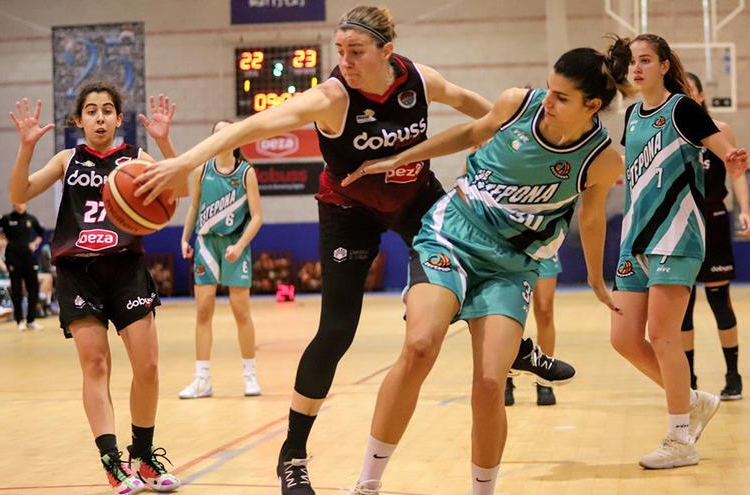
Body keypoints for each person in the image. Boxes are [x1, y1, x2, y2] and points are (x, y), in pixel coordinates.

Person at [134, 7, 572, 493]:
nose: (344, 60)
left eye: (356, 51)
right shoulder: (331, 97)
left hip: (414, 200)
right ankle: (292, 455)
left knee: (481, 263)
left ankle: (518, 347)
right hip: (349, 211)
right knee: (336, 331)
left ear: (387, 51)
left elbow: (477, 107)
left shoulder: (418, 80)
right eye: (339, 50)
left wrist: (517, 133)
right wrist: (186, 164)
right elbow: (251, 127)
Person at [341, 37, 631, 494]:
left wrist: (597, 279)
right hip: (451, 235)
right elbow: (470, 133)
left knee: (491, 382)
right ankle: (367, 483)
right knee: (419, 346)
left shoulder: (601, 159)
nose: (547, 101)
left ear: (592, 105)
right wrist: (400, 158)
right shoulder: (517, 104)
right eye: (548, 89)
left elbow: (592, 219)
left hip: (510, 265)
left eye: (561, 97)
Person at [7, 85, 181, 494]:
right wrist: (26, 148)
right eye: (91, 111)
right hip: (78, 270)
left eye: (107, 110)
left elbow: (182, 190)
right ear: (79, 120)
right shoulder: (67, 160)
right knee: (96, 366)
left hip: (125, 266)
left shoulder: (137, 159)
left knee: (149, 368)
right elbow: (19, 194)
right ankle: (112, 463)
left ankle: (143, 456)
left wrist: (163, 141)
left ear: (119, 119)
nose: (100, 117)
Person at [610, 34, 749, 470]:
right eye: (632, 61)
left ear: (664, 65)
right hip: (634, 238)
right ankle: (692, 400)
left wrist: (734, 159)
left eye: (645, 60)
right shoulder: (632, 115)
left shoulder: (683, 109)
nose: (636, 68)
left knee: (663, 336)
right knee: (623, 339)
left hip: (677, 235)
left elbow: (724, 150)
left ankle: (680, 439)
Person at [178, 120, 263, 399]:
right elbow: (193, 208)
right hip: (206, 244)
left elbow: (258, 217)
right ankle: (202, 380)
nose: (223, 137)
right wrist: (185, 238)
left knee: (241, 312)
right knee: (203, 310)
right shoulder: (202, 171)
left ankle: (250, 375)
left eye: (228, 133)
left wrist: (239, 246)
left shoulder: (246, 173)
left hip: (235, 245)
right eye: (217, 134)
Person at [682, 72, 750, 400]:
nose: (686, 95)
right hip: (681, 224)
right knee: (681, 307)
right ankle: (688, 380)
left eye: (690, 90)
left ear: (700, 97)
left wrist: (745, 209)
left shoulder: (720, 130)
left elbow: (736, 172)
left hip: (713, 220)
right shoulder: (671, 133)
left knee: (718, 301)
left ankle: (733, 375)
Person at [505, 254, 561, 407]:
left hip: (543, 245)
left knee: (545, 310)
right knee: (508, 311)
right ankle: (505, 376)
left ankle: (544, 381)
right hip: (510, 247)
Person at [0, 203, 45, 330]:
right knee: (17, 290)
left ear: (26, 204)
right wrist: (0, 234)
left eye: (22, 203)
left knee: (33, 289)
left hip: (28, 258)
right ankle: (19, 321)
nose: (20, 206)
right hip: (13, 258)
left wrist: (35, 243)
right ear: (14, 204)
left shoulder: (31, 219)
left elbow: (41, 232)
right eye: (17, 203)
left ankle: (31, 320)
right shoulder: (7, 218)